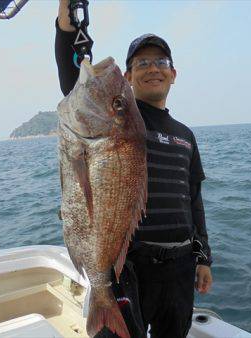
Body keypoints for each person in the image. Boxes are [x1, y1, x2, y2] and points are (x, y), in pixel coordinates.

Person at [55, 1, 213, 337]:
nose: (152, 68)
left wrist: (203, 258)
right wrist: (67, 18)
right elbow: (74, 77)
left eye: (161, 62)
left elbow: (194, 200)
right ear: (128, 78)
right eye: (142, 62)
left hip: (180, 267)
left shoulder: (186, 135)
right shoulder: (124, 121)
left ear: (173, 73)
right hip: (129, 266)